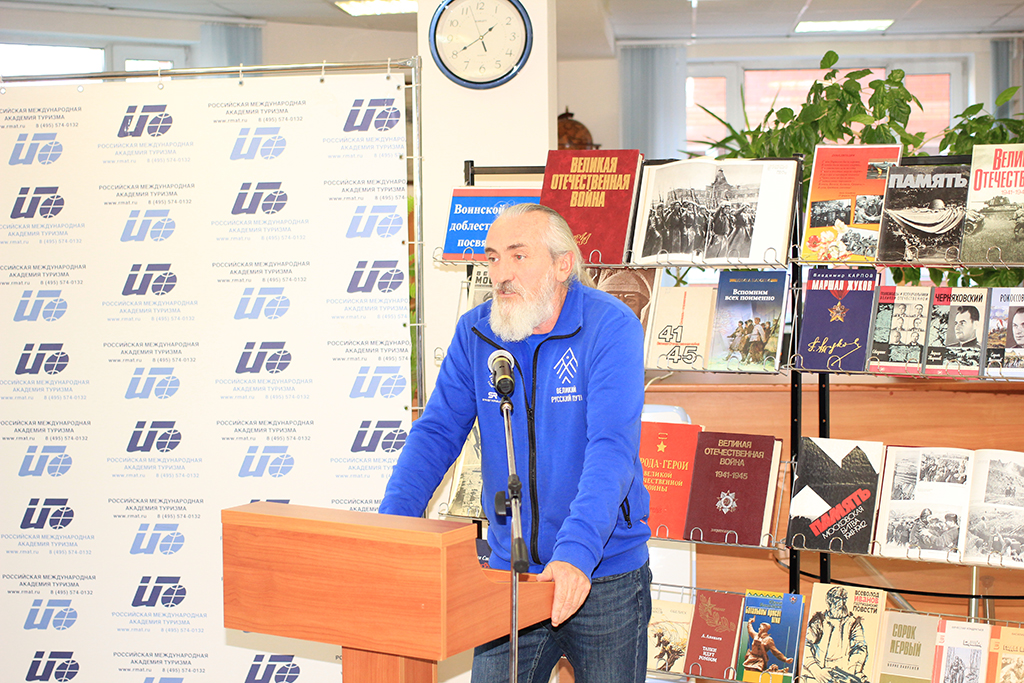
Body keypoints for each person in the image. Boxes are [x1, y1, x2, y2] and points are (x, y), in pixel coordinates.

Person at [379, 203, 652, 683]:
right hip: (510, 574)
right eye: (492, 258)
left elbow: (611, 448)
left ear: (563, 265)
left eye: (518, 256)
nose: (500, 273)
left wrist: (575, 554)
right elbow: (437, 433)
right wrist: (390, 530)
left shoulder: (610, 326)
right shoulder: (477, 332)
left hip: (602, 574)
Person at [803, 586, 869, 683]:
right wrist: (815, 669)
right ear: (829, 601)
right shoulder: (819, 621)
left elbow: (860, 648)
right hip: (819, 674)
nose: (842, 603)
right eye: (838, 598)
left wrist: (854, 670)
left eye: (844, 598)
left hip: (844, 674)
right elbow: (806, 645)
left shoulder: (853, 623)